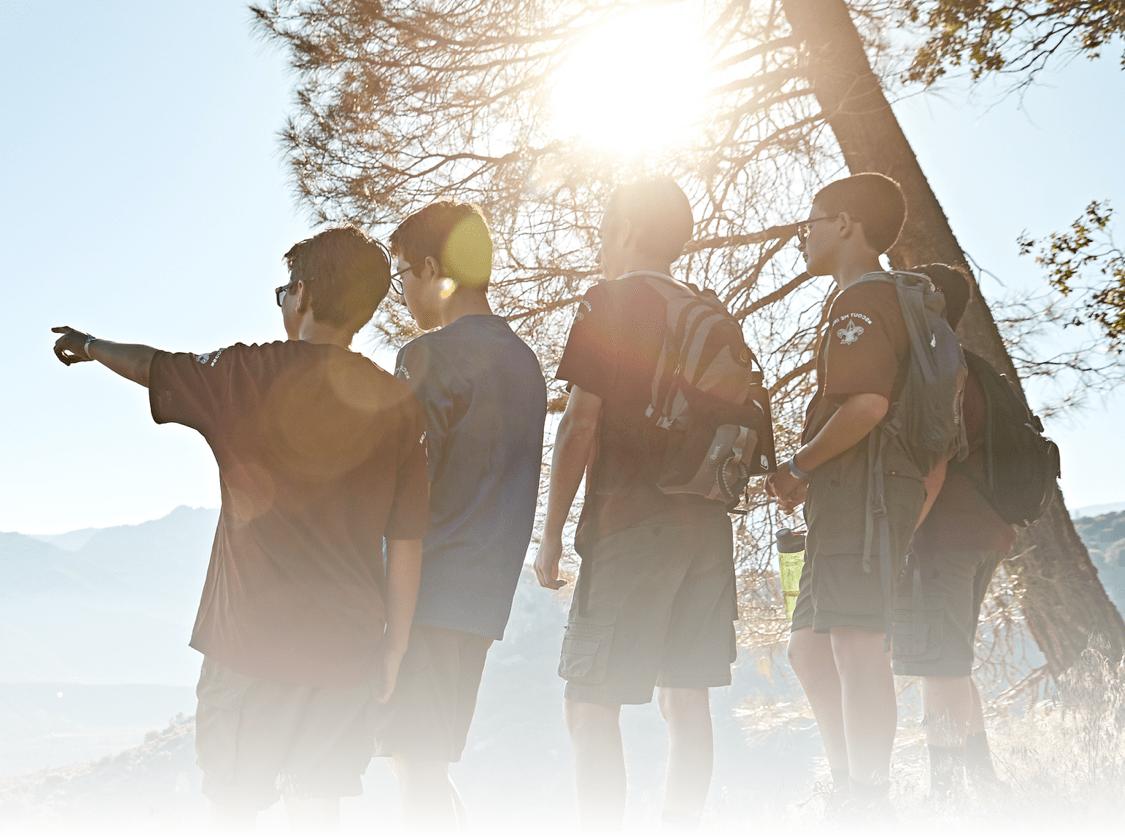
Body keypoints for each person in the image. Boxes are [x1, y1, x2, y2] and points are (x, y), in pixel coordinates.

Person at [50, 227, 429, 830]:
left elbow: (154, 367)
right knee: (319, 810)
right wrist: (395, 648)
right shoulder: (400, 407)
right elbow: (408, 542)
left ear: (302, 295)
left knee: (233, 807)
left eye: (283, 289)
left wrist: (92, 345)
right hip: (346, 646)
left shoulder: (245, 375)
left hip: (248, 642)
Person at [533, 178, 737, 830]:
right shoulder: (711, 311)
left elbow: (580, 423)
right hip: (705, 525)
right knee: (687, 700)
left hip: (630, 522)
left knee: (590, 702)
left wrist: (552, 532)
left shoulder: (612, 301)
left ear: (622, 230)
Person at [375, 202, 547, 829]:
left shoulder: (428, 356)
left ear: (429, 267)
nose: (402, 293)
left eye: (402, 276)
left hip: (424, 585)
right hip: (484, 592)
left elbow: (403, 481)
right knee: (428, 761)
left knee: (412, 765)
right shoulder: (525, 361)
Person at [767, 173, 922, 809]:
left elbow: (866, 404)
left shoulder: (863, 301)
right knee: (808, 647)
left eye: (813, 220)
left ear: (846, 224)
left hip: (866, 497)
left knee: (857, 647)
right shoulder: (867, 299)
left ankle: (870, 798)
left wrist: (799, 467)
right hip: (848, 499)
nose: (804, 234)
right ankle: (846, 782)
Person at [893, 263, 1015, 798]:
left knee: (939, 665)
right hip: (986, 534)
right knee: (954, 659)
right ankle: (984, 785)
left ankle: (945, 800)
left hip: (944, 536)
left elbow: (934, 464)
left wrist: (901, 535)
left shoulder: (938, 369)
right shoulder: (978, 368)